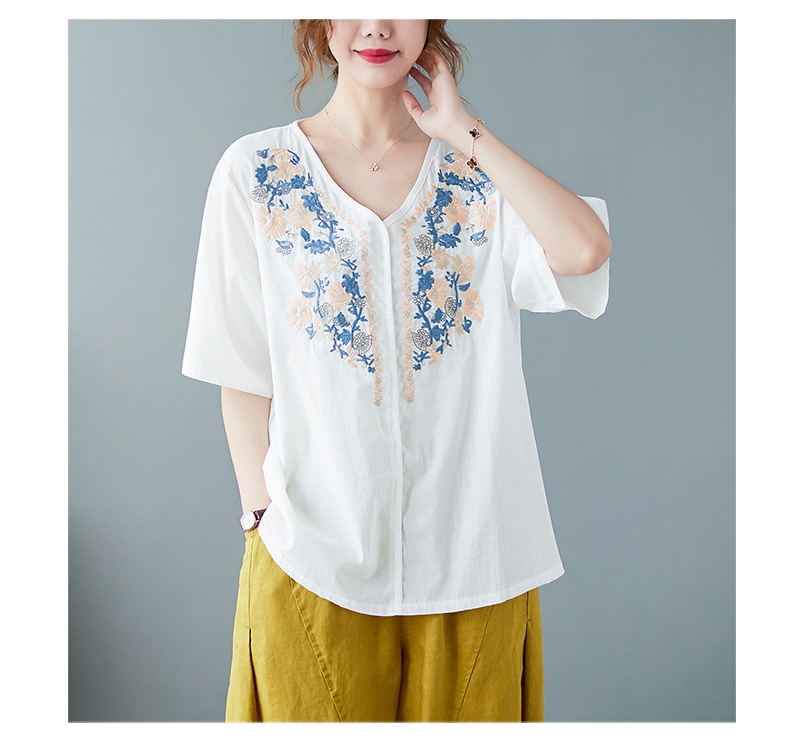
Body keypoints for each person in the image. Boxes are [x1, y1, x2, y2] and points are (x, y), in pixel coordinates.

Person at [182, 19, 611, 722]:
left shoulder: (476, 178)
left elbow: (584, 251)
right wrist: (261, 515)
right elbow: (240, 366)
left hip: (477, 560)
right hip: (312, 558)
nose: (377, 24)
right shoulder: (256, 172)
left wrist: (466, 132)